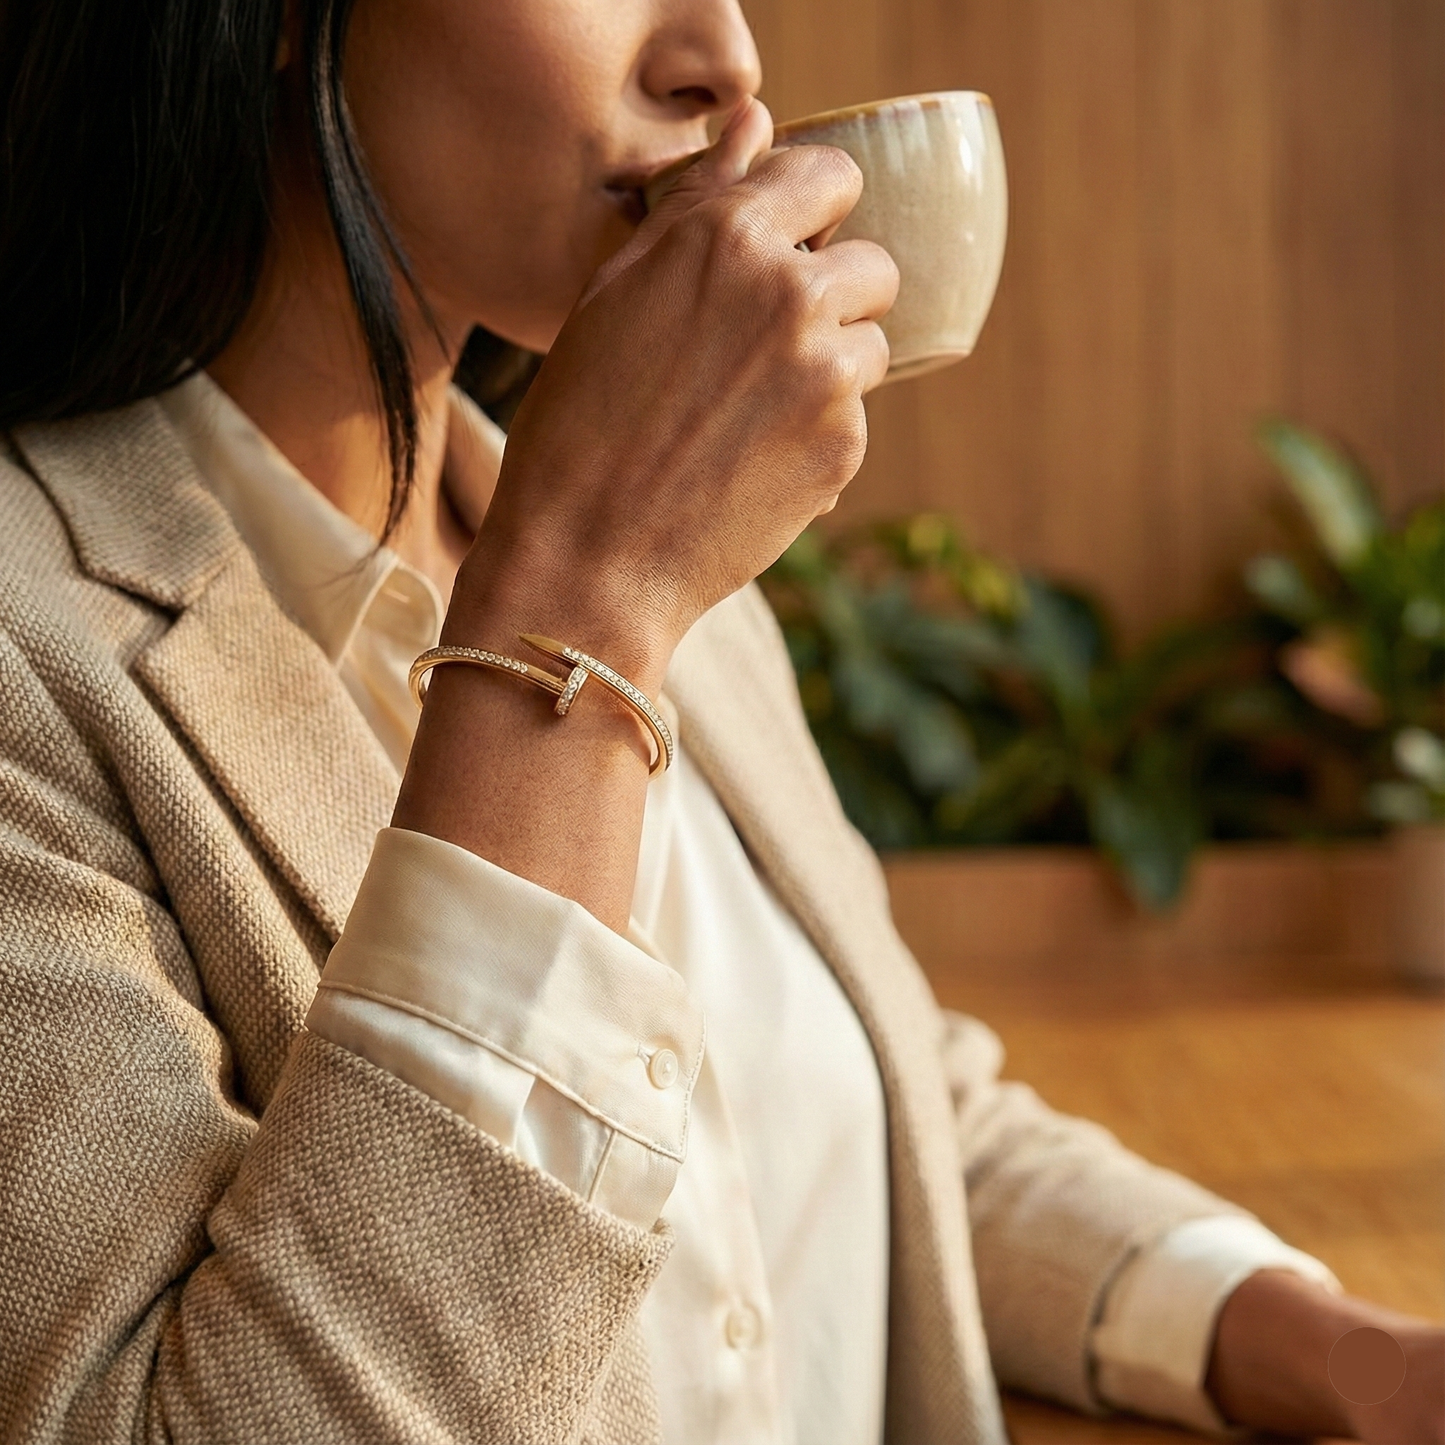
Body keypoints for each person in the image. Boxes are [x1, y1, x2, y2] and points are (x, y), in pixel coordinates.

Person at [0, 0, 1439, 1440]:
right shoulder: (44, 657)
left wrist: (1335, 1352)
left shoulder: (673, 557)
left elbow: (855, 1115)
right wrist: (582, 604)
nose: (726, 58)